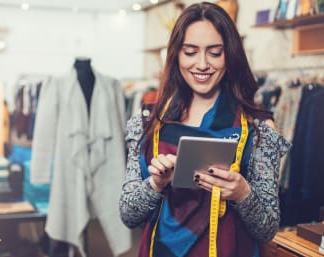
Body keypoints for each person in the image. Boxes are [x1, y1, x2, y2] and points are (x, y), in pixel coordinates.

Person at [119, 2, 290, 257]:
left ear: (230, 54)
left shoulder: (258, 131)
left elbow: (267, 229)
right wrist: (155, 184)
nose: (201, 64)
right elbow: (129, 215)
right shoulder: (146, 123)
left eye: (214, 52)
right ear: (176, 54)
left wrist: (243, 193)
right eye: (190, 52)